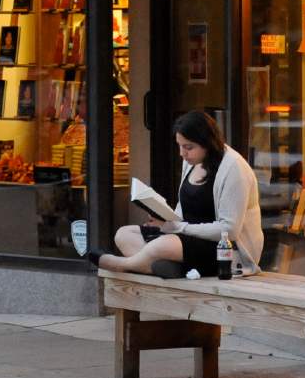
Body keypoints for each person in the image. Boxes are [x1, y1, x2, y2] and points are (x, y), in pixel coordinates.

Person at [97, 110, 262, 276]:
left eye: (188, 147)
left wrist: (179, 228)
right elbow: (183, 208)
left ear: (207, 142)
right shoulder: (190, 162)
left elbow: (230, 230)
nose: (182, 153)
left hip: (223, 248)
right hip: (184, 235)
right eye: (180, 146)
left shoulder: (233, 168)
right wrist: (165, 219)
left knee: (162, 245)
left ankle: (126, 264)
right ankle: (169, 267)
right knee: (124, 234)